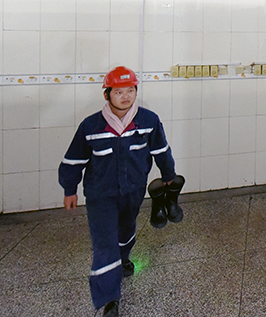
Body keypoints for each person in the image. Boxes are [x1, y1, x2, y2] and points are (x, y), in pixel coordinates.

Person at [59, 66, 180, 317]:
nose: (125, 97)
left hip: (133, 191)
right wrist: (70, 189)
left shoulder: (148, 121)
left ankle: (123, 258)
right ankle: (110, 300)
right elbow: (74, 161)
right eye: (118, 92)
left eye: (130, 91)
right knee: (104, 244)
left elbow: (161, 151)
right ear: (107, 95)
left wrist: (169, 178)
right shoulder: (91, 126)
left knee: (125, 232)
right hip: (100, 195)